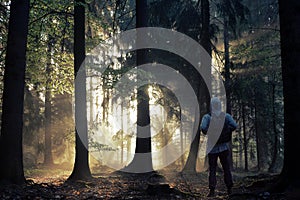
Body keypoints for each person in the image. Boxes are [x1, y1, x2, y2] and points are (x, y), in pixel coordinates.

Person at [200, 97, 237, 197]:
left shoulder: (207, 117)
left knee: (212, 169)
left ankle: (212, 191)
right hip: (224, 147)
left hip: (212, 148)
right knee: (226, 168)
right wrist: (226, 131)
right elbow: (234, 125)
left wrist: (210, 133)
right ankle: (229, 189)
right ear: (220, 105)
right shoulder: (226, 116)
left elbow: (203, 128)